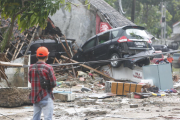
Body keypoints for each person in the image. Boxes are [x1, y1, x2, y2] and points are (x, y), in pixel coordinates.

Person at [28, 46, 56, 120]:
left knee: (35, 117)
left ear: (37, 56)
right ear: (47, 56)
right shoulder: (48, 68)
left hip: (35, 97)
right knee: (48, 118)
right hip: (45, 96)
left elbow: (30, 80)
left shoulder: (31, 67)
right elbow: (53, 83)